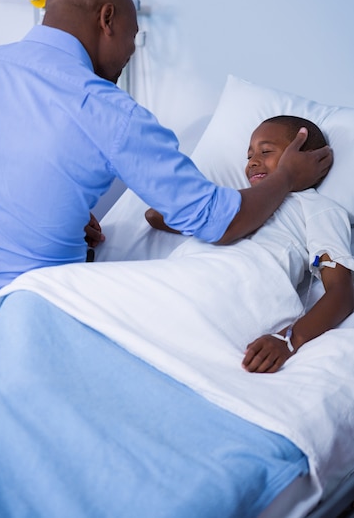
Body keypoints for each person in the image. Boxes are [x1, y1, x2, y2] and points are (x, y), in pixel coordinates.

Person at [0, 0, 332, 337]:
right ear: (107, 19)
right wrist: (287, 177)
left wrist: (57, 206)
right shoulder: (110, 111)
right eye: (133, 35)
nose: (131, 51)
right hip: (17, 318)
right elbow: (220, 223)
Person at [147, 115, 354, 373]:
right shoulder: (237, 200)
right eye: (249, 156)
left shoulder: (317, 208)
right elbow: (155, 215)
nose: (253, 162)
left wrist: (290, 339)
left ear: (306, 158)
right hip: (185, 274)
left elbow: (342, 292)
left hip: (240, 284)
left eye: (266, 151)